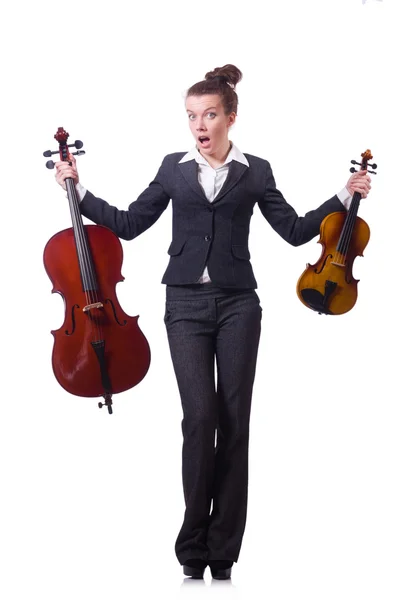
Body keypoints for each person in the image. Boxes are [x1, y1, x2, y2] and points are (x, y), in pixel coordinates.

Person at [55, 64, 371, 580]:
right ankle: (191, 545)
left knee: (235, 421)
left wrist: (343, 195)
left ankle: (223, 550)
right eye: (190, 116)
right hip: (184, 306)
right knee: (200, 420)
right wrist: (80, 191)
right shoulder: (173, 168)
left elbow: (292, 230)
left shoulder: (256, 171)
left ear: (230, 117)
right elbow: (132, 225)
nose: (199, 125)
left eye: (208, 115)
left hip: (239, 306)